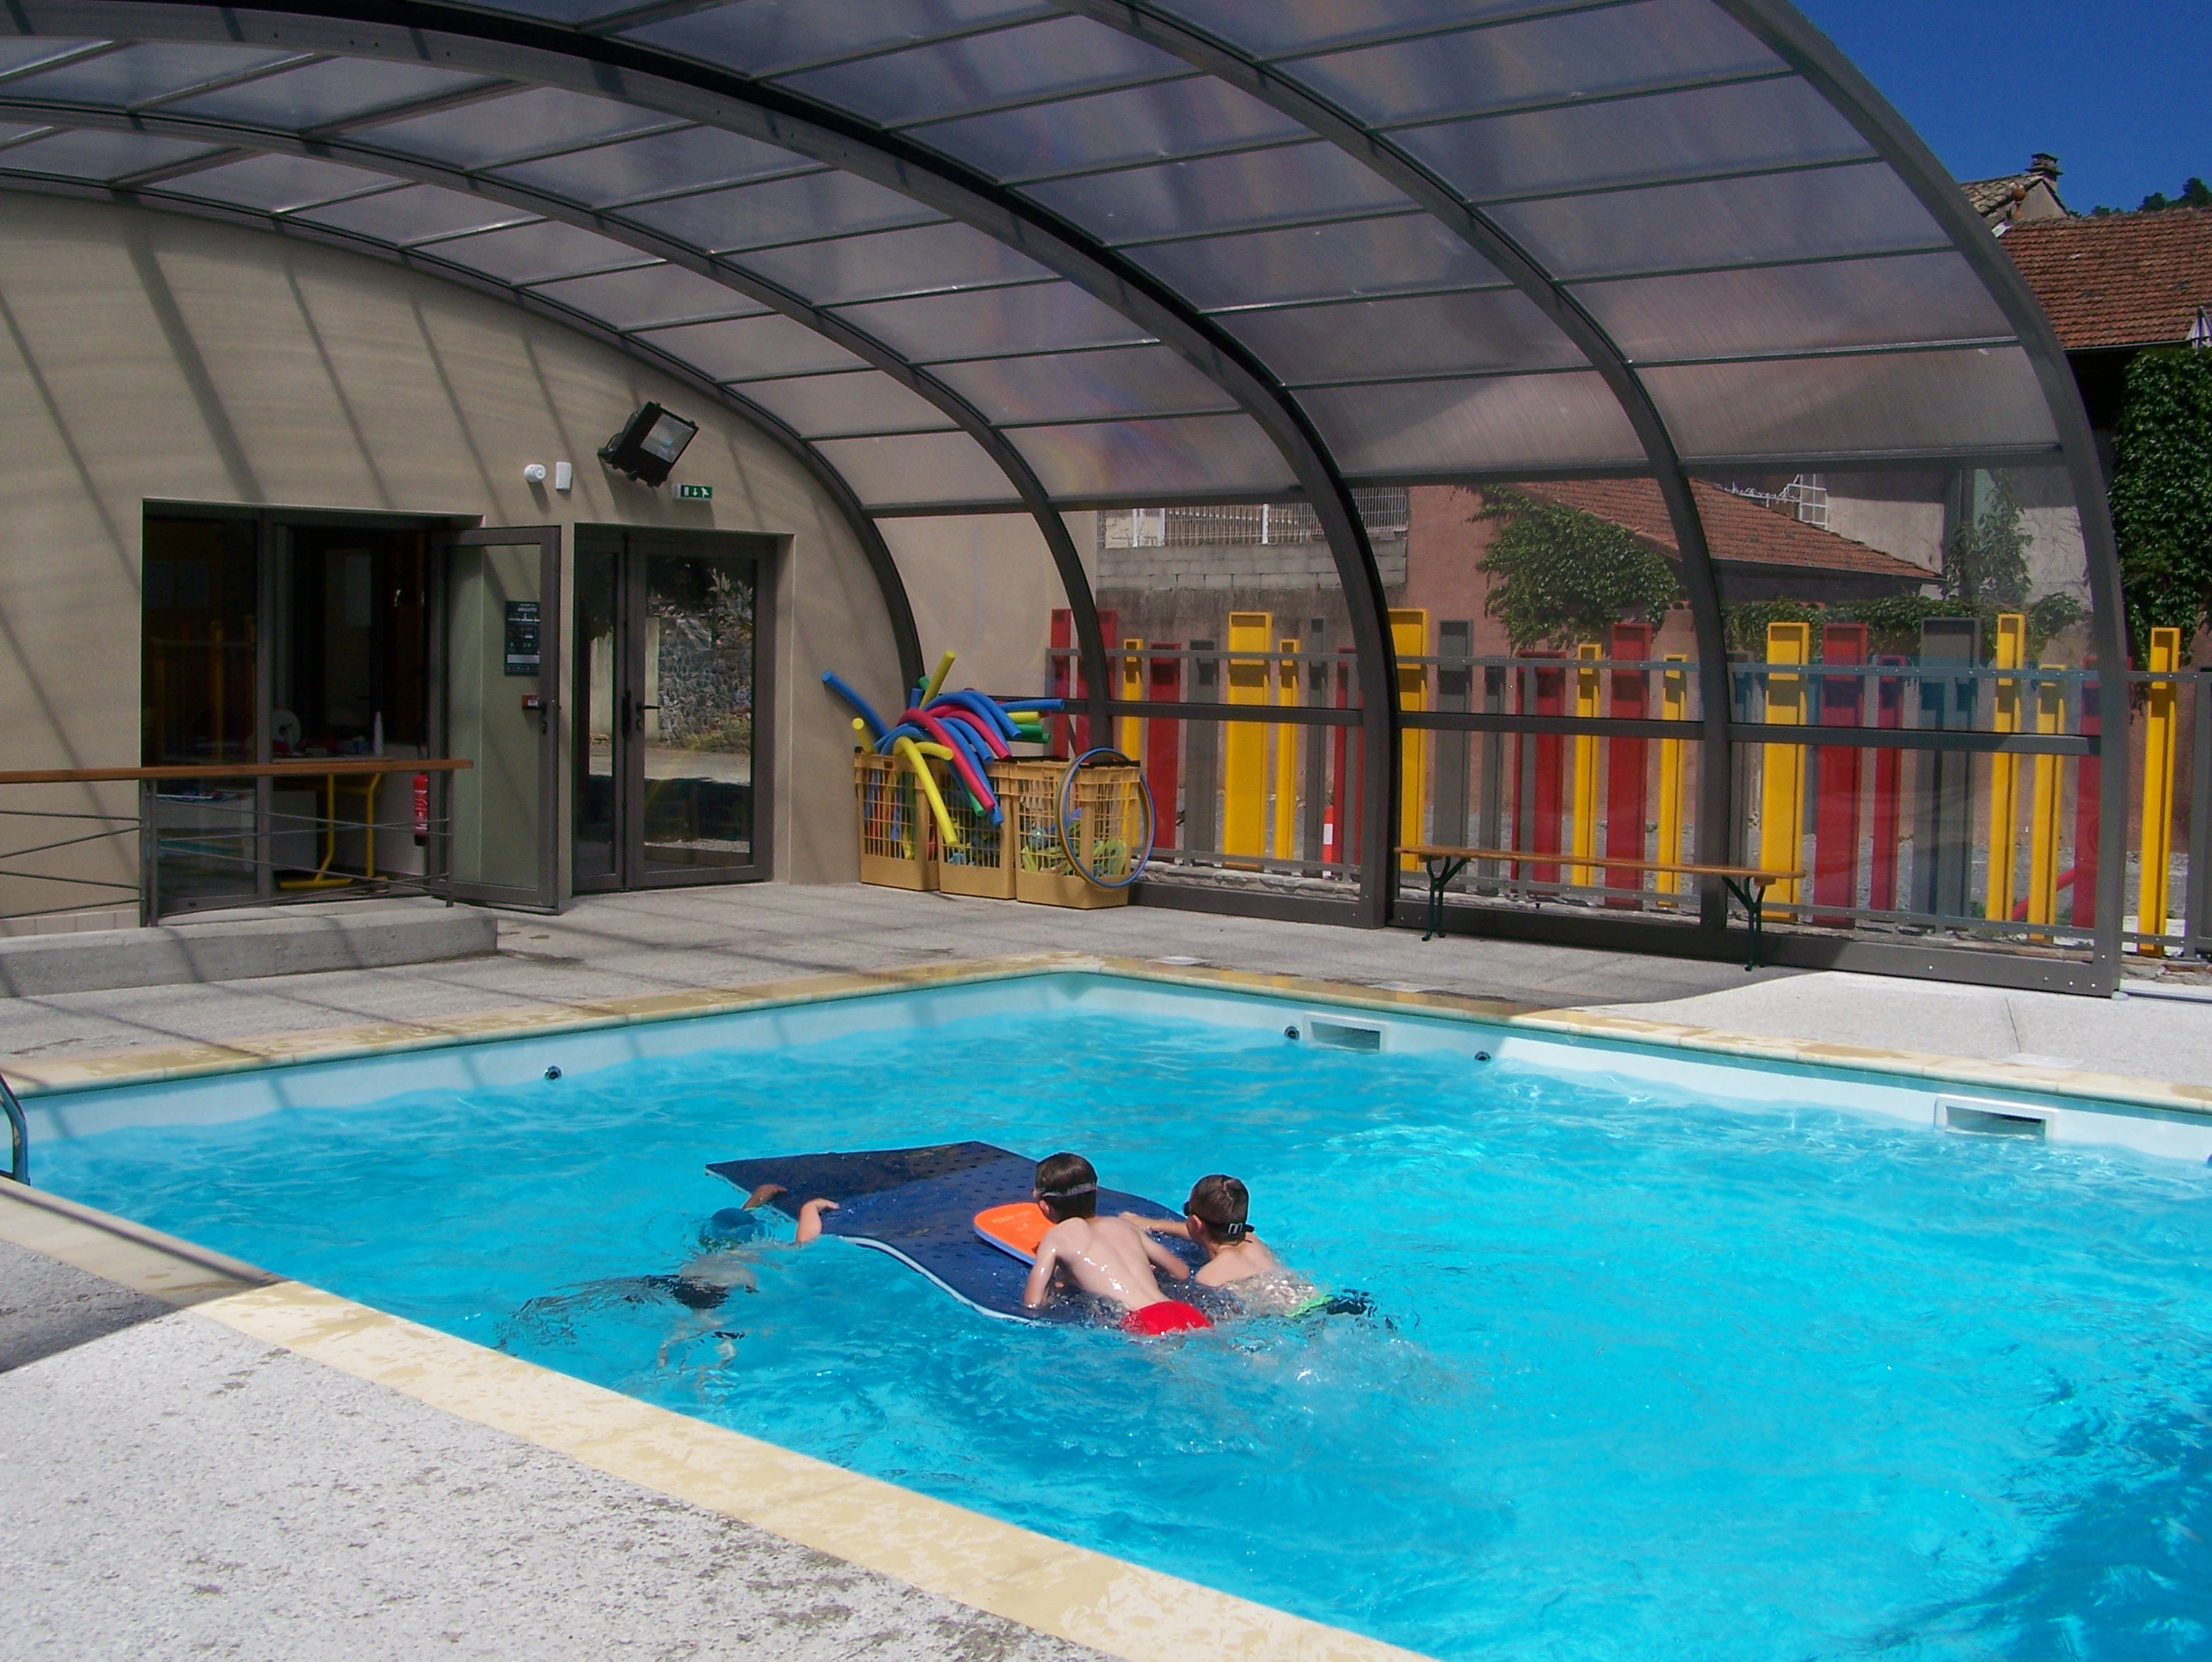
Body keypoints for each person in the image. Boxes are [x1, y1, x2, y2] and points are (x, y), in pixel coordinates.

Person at [1022, 1152, 1211, 1336]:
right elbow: (1181, 1272)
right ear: (1096, 1192)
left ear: (1044, 1206)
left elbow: (1033, 1303)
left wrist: (1060, 1286)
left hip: (1144, 1322)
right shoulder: (1124, 1226)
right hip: (1184, 1312)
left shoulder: (1056, 1237)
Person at [1126, 1175, 1322, 1318]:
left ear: (1195, 1223)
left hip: (1287, 1323)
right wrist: (1151, 1223)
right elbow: (1197, 1231)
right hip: (1318, 1302)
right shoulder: (1253, 1241)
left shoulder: (1210, 1277)